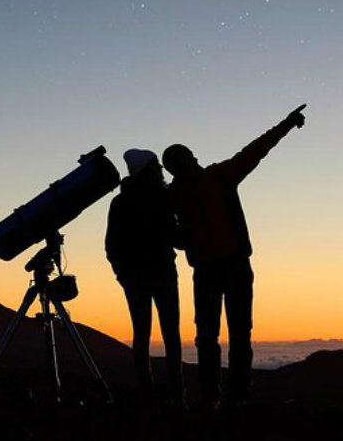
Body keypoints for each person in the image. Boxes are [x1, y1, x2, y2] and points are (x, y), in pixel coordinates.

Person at [162, 104, 307, 408]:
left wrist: (285, 124)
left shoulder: (197, 186)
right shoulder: (205, 182)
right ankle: (228, 396)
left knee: (219, 335)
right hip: (222, 268)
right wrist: (287, 123)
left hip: (218, 269)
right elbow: (255, 151)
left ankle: (220, 396)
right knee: (228, 335)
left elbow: (256, 150)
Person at [105, 149, 184, 406]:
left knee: (141, 334)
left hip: (135, 280)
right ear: (147, 170)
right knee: (171, 335)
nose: (161, 170)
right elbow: (176, 238)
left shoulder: (120, 203)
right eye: (156, 166)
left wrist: (123, 276)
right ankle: (177, 394)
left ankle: (146, 392)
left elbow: (112, 247)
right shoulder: (163, 198)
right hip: (162, 275)